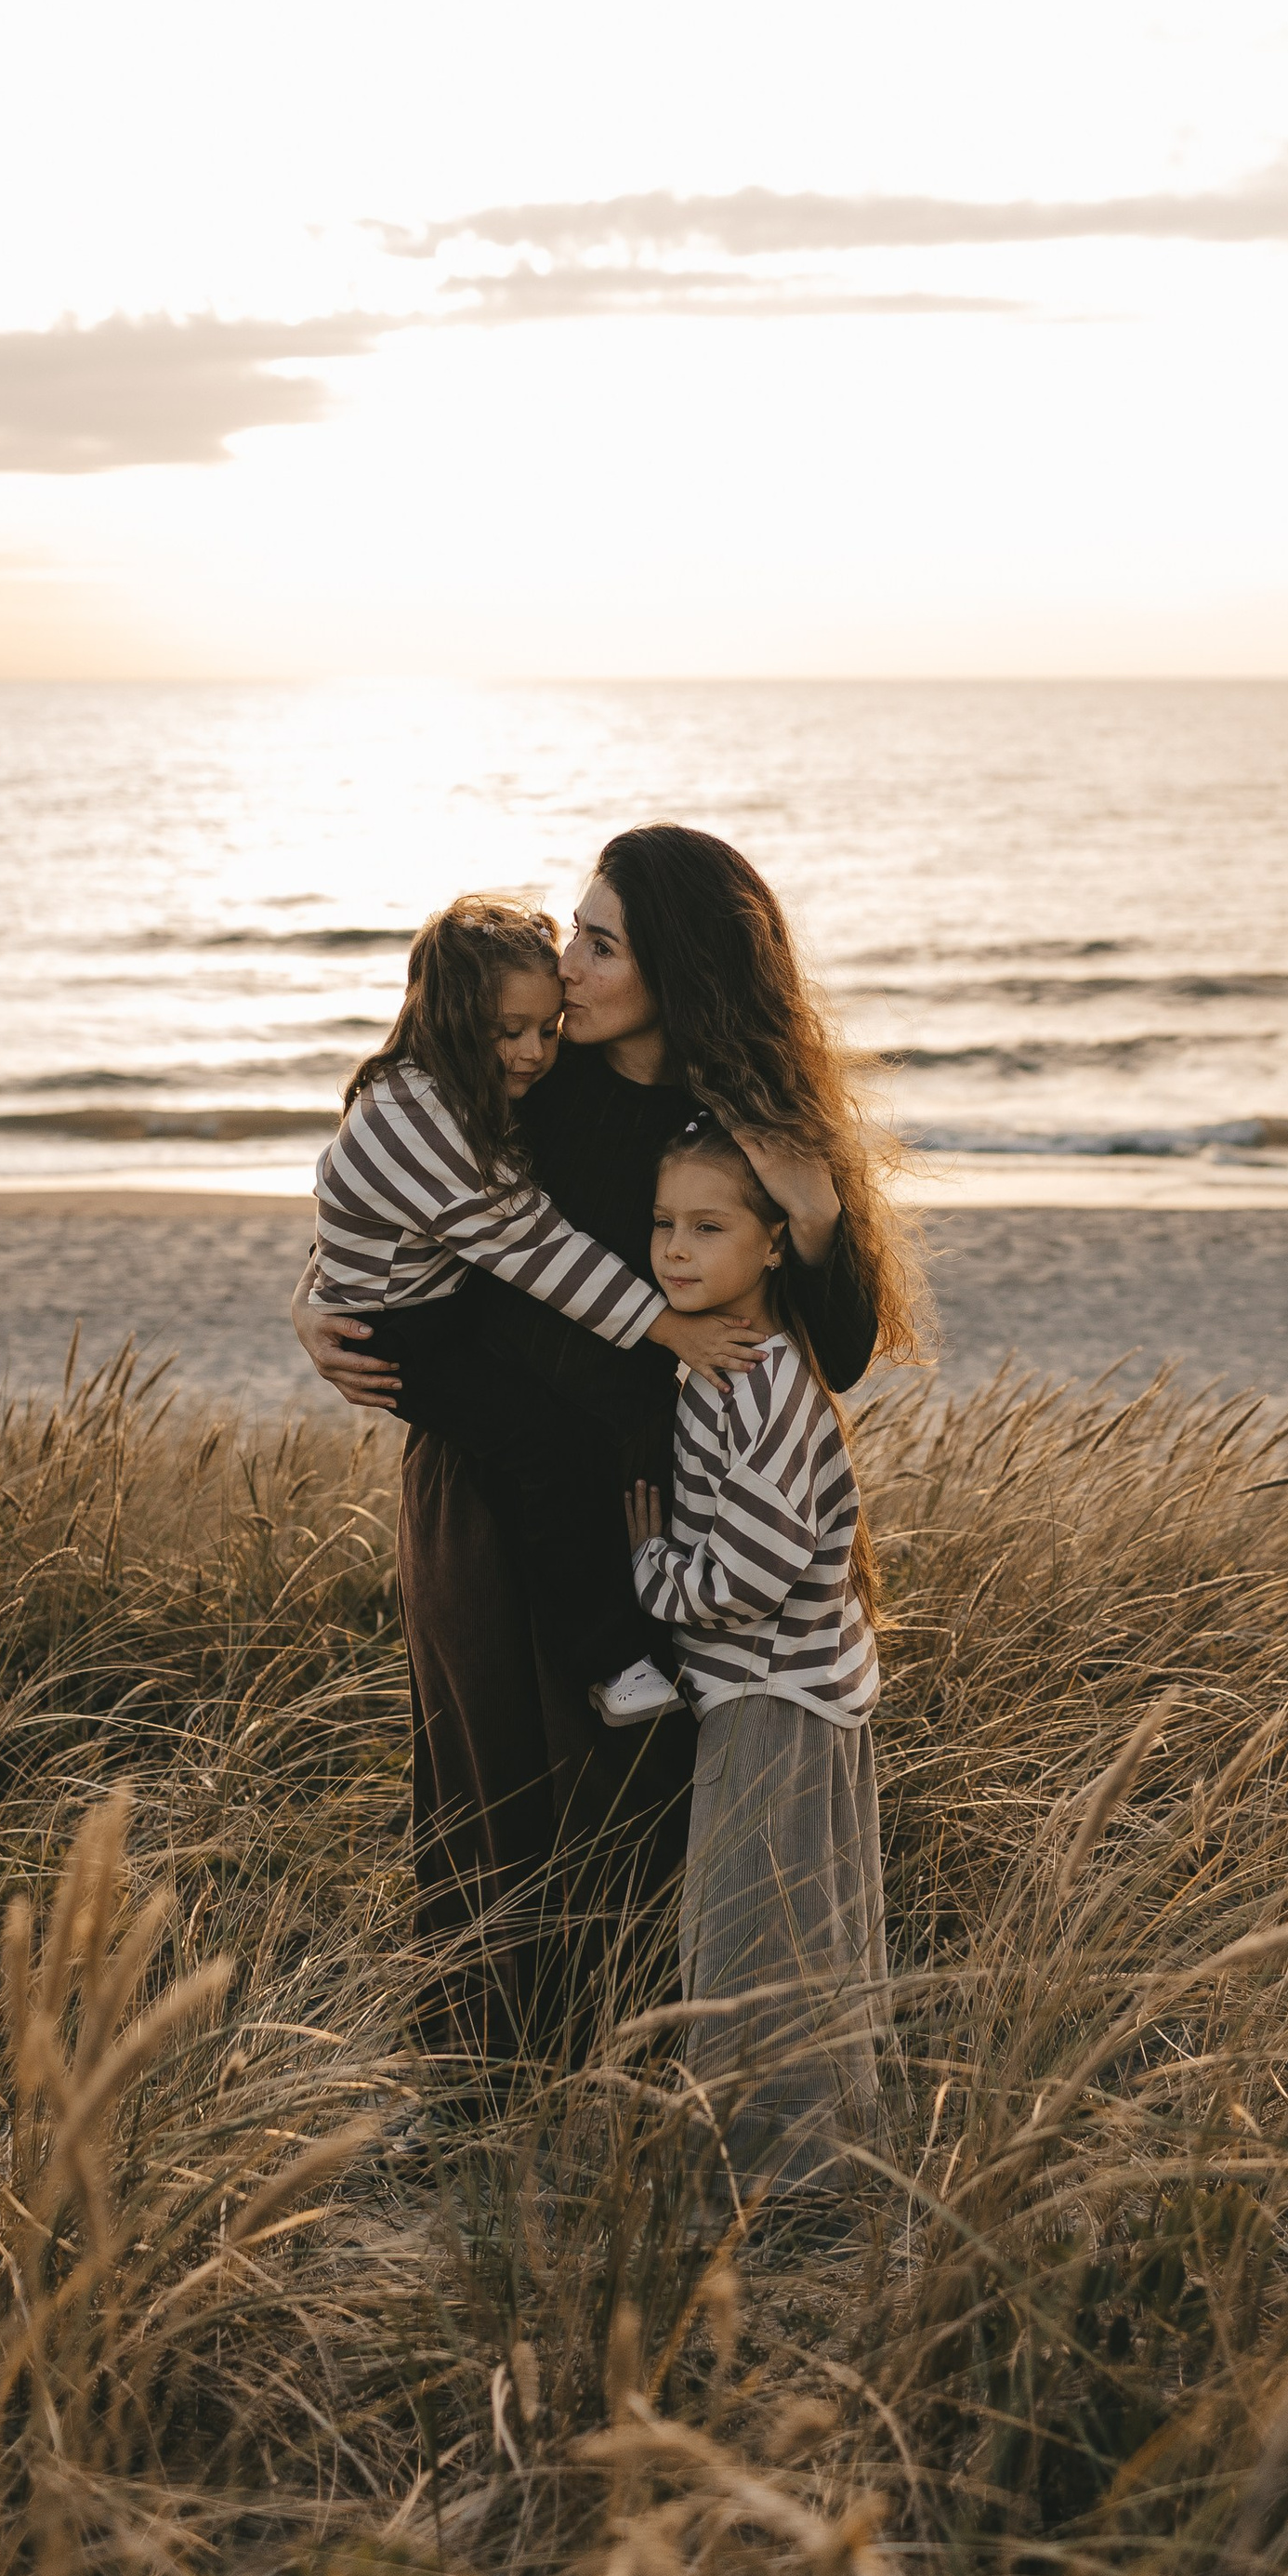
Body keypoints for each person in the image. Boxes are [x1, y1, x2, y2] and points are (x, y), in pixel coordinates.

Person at [295, 825, 925, 2086]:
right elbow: (391, 1189)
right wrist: (316, 1298)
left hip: (656, 1498)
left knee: (641, 1807)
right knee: (487, 1795)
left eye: (599, 944)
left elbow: (848, 1349)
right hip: (486, 1482)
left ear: (674, 968)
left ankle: (632, 2096)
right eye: (574, 934)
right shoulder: (529, 1071)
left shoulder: (743, 1117)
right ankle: (479, 2096)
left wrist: (813, 1209)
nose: (566, 967)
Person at [298, 892, 765, 1723]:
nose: (533, 1053)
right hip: (406, 1333)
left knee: (549, 1447)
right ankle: (613, 1665)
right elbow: (542, 1251)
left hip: (423, 1308)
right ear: (449, 1020)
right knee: (547, 1450)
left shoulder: (442, 1089)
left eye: (547, 1029)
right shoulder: (422, 1115)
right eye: (506, 1031)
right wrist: (671, 1329)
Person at [626, 1119, 887, 2216]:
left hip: (773, 1693)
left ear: (774, 1243)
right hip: (772, 1684)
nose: (675, 1249)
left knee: (754, 1938)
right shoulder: (726, 1361)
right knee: (782, 1926)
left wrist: (655, 1576)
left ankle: (776, 2182)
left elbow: (758, 1567)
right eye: (663, 1224)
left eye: (708, 1227)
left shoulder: (763, 1380)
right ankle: (787, 2168)